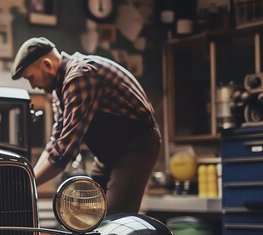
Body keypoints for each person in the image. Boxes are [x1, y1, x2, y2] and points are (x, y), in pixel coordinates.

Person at [11, 37, 161, 214]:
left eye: (31, 77)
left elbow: (64, 153)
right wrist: (27, 180)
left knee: (115, 219)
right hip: (110, 153)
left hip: (136, 147)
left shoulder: (79, 76)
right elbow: (55, 143)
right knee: (87, 216)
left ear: (46, 65)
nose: (33, 85)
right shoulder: (59, 91)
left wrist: (27, 185)